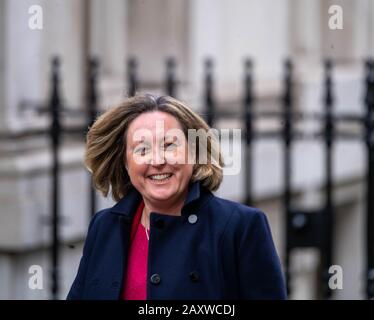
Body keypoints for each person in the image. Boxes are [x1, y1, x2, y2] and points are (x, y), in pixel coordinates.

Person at [67, 93, 287, 300]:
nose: (157, 160)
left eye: (169, 145)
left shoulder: (241, 227)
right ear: (125, 163)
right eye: (142, 150)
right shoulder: (105, 226)